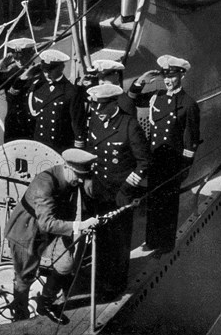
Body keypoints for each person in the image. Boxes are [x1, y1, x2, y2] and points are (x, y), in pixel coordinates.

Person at [4, 148, 100, 323]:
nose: (80, 180)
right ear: (66, 167)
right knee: (25, 276)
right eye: (78, 175)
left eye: (83, 176)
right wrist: (79, 226)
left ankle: (45, 303)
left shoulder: (74, 178)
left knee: (66, 263)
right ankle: (20, 316)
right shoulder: (44, 183)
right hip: (27, 230)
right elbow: (46, 223)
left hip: (59, 224)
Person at [128, 55, 201, 256]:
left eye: (172, 76)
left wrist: (185, 167)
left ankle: (166, 244)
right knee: (153, 202)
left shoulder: (188, 104)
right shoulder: (156, 97)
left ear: (181, 76)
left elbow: (191, 140)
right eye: (165, 77)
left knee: (168, 204)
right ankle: (151, 241)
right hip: (155, 159)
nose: (168, 81)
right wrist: (141, 81)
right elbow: (131, 99)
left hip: (173, 163)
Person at [85, 83, 149, 300]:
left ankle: (115, 287)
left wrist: (127, 189)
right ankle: (101, 282)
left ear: (113, 103)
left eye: (101, 106)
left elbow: (143, 163)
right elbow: (89, 151)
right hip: (100, 192)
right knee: (102, 240)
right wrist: (87, 178)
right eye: (94, 106)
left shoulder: (128, 125)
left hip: (120, 194)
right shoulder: (95, 120)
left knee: (119, 244)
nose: (97, 110)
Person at [0, 37, 39, 142]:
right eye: (16, 57)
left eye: (23, 57)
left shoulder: (39, 73)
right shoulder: (11, 73)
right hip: (14, 125)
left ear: (31, 54)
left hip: (34, 125)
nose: (19, 60)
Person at [28, 49, 86, 153]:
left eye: (50, 71)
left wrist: (78, 148)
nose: (46, 74)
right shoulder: (38, 86)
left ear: (61, 68)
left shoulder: (71, 91)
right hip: (39, 143)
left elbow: (77, 122)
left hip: (59, 146)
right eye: (45, 71)